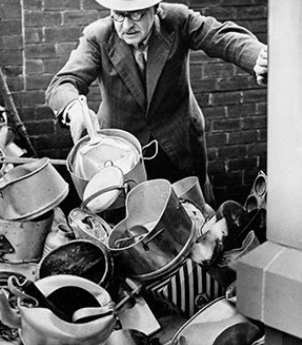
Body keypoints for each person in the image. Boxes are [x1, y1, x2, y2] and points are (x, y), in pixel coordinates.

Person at [45, 0, 268, 203]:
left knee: (197, 216)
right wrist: (74, 109)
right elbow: (63, 83)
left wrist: (258, 58)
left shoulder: (177, 20)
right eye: (118, 15)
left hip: (180, 143)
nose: (126, 26)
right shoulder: (98, 36)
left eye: (136, 15)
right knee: (136, 223)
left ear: (156, 9)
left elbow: (221, 36)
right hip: (124, 155)